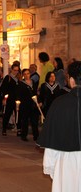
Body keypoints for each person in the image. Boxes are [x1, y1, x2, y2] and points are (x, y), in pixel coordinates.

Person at [37, 61, 81, 192]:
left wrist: (50, 165)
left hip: (67, 161)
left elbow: (52, 138)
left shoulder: (59, 103)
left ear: (72, 80)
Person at [18, 69, 39, 141]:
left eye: (28, 73)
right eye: (25, 74)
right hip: (25, 104)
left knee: (34, 121)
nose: (27, 75)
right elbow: (20, 94)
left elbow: (36, 92)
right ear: (23, 75)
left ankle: (36, 136)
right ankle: (24, 135)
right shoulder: (21, 84)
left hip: (33, 104)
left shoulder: (34, 82)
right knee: (25, 121)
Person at [1, 63, 20, 136]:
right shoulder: (7, 78)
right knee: (7, 114)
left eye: (17, 70)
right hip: (9, 99)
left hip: (17, 100)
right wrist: (4, 99)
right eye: (14, 70)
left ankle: (18, 129)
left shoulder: (19, 78)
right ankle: (4, 129)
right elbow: (4, 88)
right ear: (11, 70)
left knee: (18, 115)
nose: (16, 72)